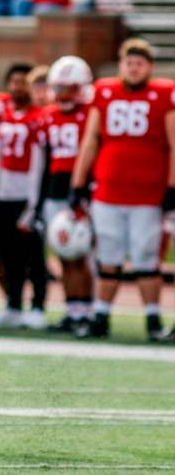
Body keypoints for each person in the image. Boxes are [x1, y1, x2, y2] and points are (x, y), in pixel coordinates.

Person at [70, 38, 174, 341]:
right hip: (108, 191)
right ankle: (101, 316)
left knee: (145, 257)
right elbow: (90, 140)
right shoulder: (105, 90)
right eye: (129, 63)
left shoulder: (164, 94)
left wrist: (171, 187)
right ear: (121, 64)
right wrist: (78, 182)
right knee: (108, 255)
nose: (133, 68)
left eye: (139, 63)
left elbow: (174, 143)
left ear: (150, 67)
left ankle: (153, 320)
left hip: (148, 194)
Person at [0, 64, 48, 330]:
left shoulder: (40, 116)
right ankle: (13, 304)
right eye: (14, 82)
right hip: (4, 193)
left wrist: (33, 203)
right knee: (9, 253)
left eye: (24, 82)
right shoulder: (4, 113)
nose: (18, 87)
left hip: (27, 193)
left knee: (33, 254)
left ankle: (38, 305)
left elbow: (38, 161)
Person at [37, 55, 94, 336]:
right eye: (59, 88)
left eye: (69, 88)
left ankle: (87, 311)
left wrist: (86, 190)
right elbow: (44, 160)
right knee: (62, 252)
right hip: (54, 191)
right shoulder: (48, 115)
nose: (63, 94)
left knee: (82, 253)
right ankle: (73, 311)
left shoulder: (90, 113)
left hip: (81, 189)